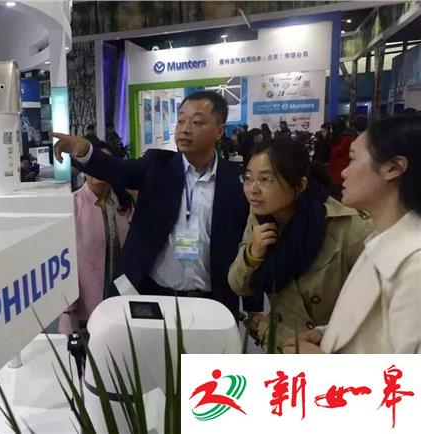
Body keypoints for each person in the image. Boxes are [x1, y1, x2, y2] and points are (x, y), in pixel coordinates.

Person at [52, 91, 260, 318]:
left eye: (197, 122)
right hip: (153, 297)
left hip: (213, 303)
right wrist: (85, 151)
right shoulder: (157, 166)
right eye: (181, 120)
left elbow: (250, 243)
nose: (185, 129)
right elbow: (116, 169)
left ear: (219, 130)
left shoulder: (237, 181)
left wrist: (254, 308)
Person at [284, 115, 421, 354]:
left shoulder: (414, 266)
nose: (344, 172)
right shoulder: (380, 240)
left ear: (392, 169)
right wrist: (326, 334)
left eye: (353, 159)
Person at [228, 139, 372, 350]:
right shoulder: (260, 218)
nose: (253, 189)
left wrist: (324, 335)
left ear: (300, 185)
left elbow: (373, 307)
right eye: (248, 178)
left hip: (328, 349)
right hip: (280, 346)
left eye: (266, 179)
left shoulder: (346, 226)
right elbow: (238, 286)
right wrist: (253, 253)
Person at [59, 147, 134, 335]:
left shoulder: (124, 203)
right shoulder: (71, 205)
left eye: (103, 164)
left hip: (122, 302)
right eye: (92, 164)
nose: (97, 170)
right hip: (83, 309)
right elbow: (63, 261)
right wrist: (67, 306)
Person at [328, 118, 358, 193]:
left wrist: (331, 146)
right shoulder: (346, 137)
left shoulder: (346, 138)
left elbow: (337, 152)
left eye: (331, 128)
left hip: (341, 169)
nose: (330, 131)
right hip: (340, 169)